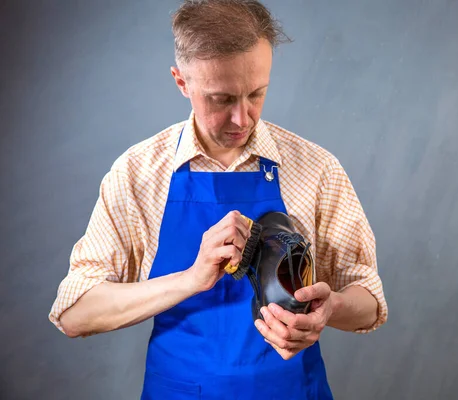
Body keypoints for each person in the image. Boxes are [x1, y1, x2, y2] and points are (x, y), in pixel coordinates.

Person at [49, 0, 388, 398]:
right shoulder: (139, 174)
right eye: (221, 99)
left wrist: (331, 308)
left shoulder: (316, 169)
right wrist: (192, 279)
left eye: (256, 94)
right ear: (182, 82)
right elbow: (75, 314)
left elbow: (369, 299)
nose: (243, 119)